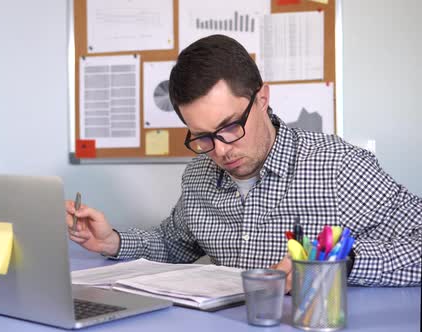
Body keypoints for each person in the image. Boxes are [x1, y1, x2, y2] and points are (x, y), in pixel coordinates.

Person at [65, 34, 421, 291]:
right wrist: (110, 241)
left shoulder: (339, 167)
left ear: (262, 98)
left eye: (229, 126)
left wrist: (337, 262)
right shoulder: (199, 176)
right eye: (202, 136)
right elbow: (174, 243)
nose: (220, 152)